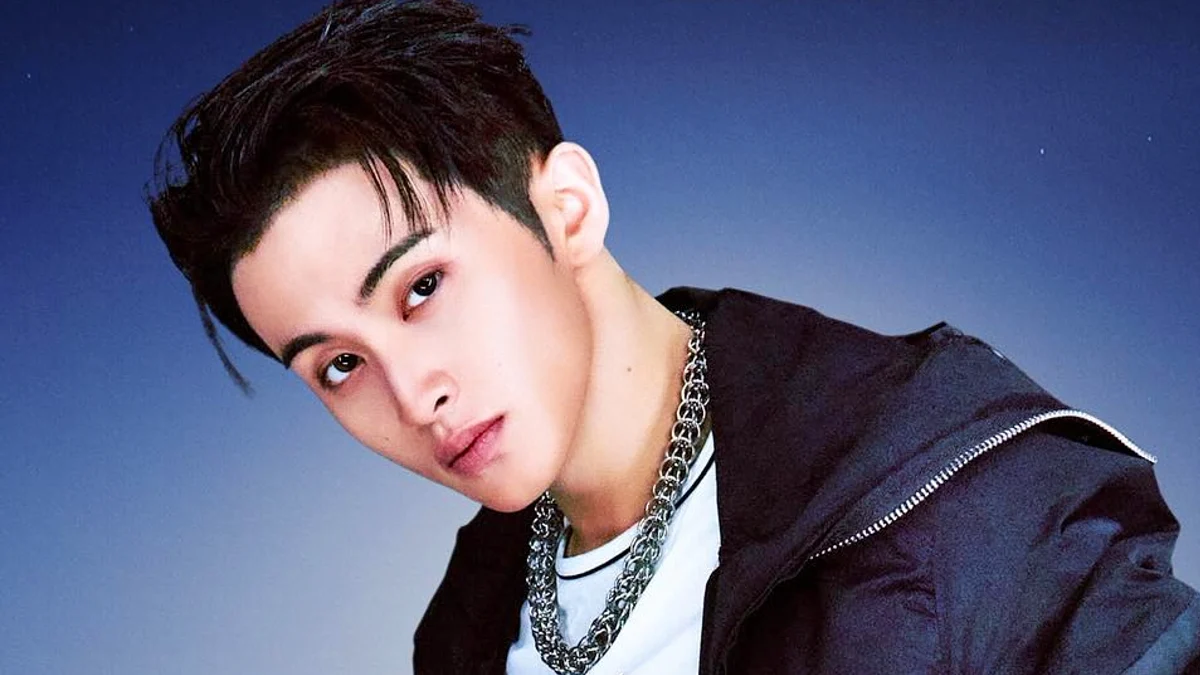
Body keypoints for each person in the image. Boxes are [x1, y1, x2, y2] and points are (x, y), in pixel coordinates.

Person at [146, 1, 1200, 673]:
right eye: (338, 364)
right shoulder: (466, 631)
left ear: (566, 211)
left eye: (422, 287)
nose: (413, 392)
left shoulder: (960, 500)